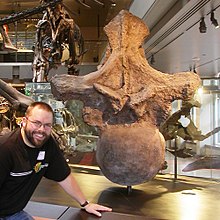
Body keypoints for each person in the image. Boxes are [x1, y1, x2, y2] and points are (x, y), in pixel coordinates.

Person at [0, 102, 112, 219]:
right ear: (23, 121)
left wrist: (86, 204)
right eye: (36, 123)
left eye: (47, 125)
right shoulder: (5, 149)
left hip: (14, 213)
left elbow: (63, 176)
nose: (41, 130)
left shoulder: (48, 144)